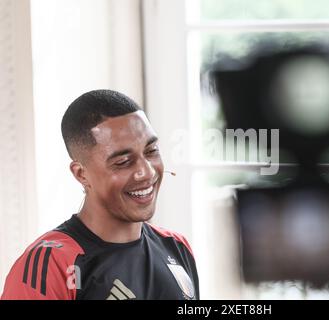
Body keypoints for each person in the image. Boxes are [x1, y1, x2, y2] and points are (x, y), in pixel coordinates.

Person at [1, 89, 199, 300]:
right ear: (81, 174)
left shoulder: (176, 246)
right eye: (123, 162)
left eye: (151, 151)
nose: (147, 172)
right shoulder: (52, 264)